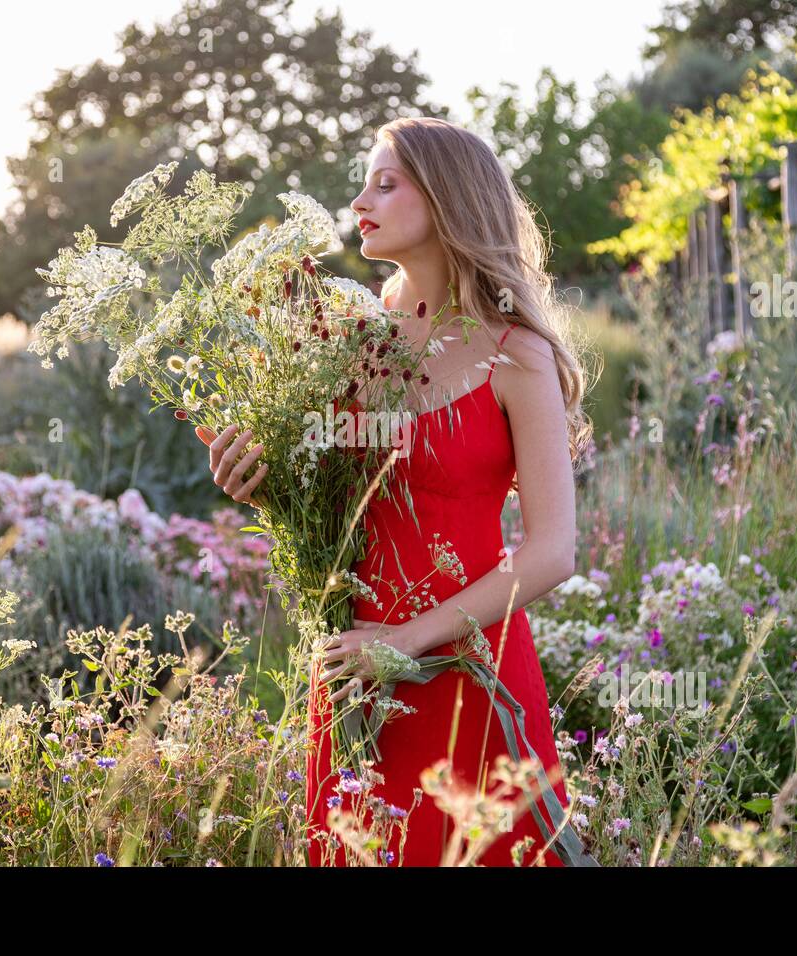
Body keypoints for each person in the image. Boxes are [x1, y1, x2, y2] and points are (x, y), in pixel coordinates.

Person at [198, 116, 595, 866]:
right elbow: (332, 508)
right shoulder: (353, 339)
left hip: (471, 672)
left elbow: (552, 551)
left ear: (447, 198)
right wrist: (258, 487)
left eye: (386, 183)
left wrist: (406, 643)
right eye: (363, 183)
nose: (359, 201)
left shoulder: (518, 353)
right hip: (353, 670)